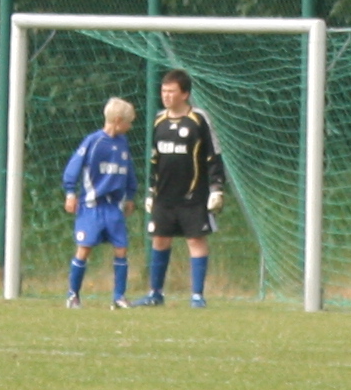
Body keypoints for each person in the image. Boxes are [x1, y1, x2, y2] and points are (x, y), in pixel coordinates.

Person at [136, 69, 227, 306]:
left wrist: (217, 187)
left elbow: (213, 155)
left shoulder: (199, 119)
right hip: (164, 196)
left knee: (195, 240)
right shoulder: (159, 120)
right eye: (163, 91)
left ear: (185, 94)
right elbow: (154, 159)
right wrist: (150, 191)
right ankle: (155, 293)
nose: (166, 95)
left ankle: (197, 296)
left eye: (171, 91)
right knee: (160, 240)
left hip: (192, 196)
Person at [59, 97, 140, 309]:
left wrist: (130, 196)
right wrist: (70, 193)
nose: (130, 127)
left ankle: (119, 297)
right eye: (129, 122)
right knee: (84, 248)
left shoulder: (123, 143)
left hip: (114, 207)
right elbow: (73, 167)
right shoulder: (93, 142)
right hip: (92, 206)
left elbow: (129, 171)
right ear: (118, 120)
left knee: (121, 248)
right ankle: (73, 295)